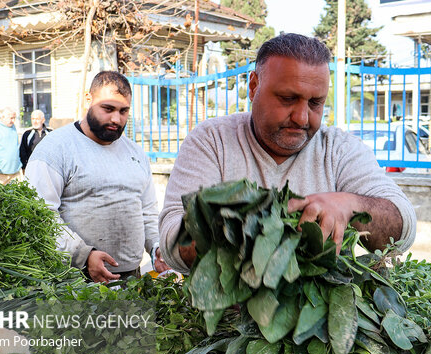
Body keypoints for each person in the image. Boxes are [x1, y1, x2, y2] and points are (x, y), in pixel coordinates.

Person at [159, 33, 417, 273]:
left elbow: (402, 229)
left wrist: (350, 205)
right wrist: (242, 229)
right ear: (253, 86)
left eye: (316, 103)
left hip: (323, 315)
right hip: (228, 315)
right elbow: (173, 239)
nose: (302, 117)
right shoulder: (212, 140)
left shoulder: (340, 149)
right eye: (287, 98)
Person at [25, 71, 169, 283]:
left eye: (123, 111)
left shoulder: (135, 153)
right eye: (108, 109)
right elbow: (40, 214)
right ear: (88, 100)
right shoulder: (55, 148)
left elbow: (147, 212)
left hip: (131, 278)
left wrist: (157, 246)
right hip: (74, 281)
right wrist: (83, 256)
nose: (116, 119)